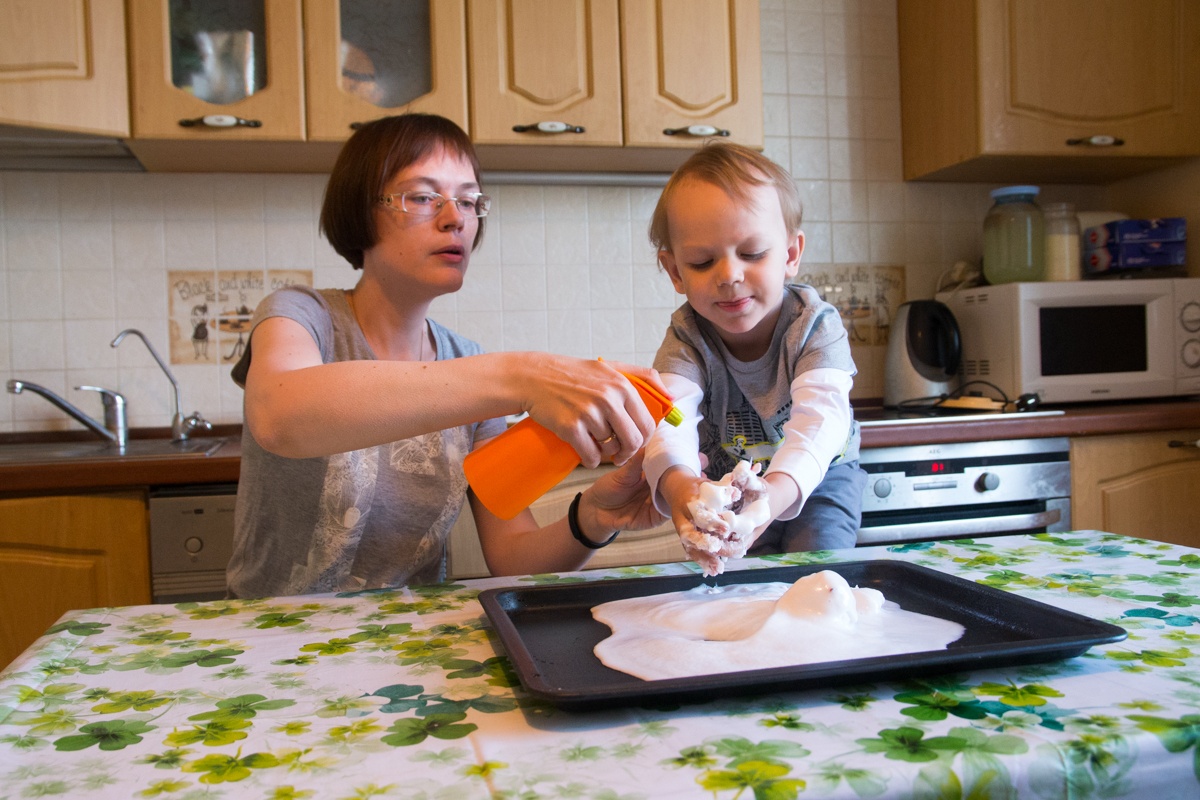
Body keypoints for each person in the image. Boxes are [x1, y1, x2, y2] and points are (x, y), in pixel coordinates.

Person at [228, 113, 665, 598]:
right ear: (360, 210)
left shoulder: (466, 361)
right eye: (422, 196)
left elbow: (511, 556)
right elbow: (278, 414)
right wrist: (520, 375)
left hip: (407, 640)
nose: (456, 218)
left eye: (468, 200)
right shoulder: (300, 314)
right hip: (271, 641)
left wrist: (592, 518)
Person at [641, 142, 866, 576]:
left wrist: (775, 496)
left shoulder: (814, 325)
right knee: (743, 589)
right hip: (732, 484)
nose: (729, 276)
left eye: (752, 253)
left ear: (791, 254)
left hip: (820, 476)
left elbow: (823, 421)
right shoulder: (686, 337)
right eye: (703, 261)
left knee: (815, 578)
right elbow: (668, 419)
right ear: (674, 272)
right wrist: (682, 488)